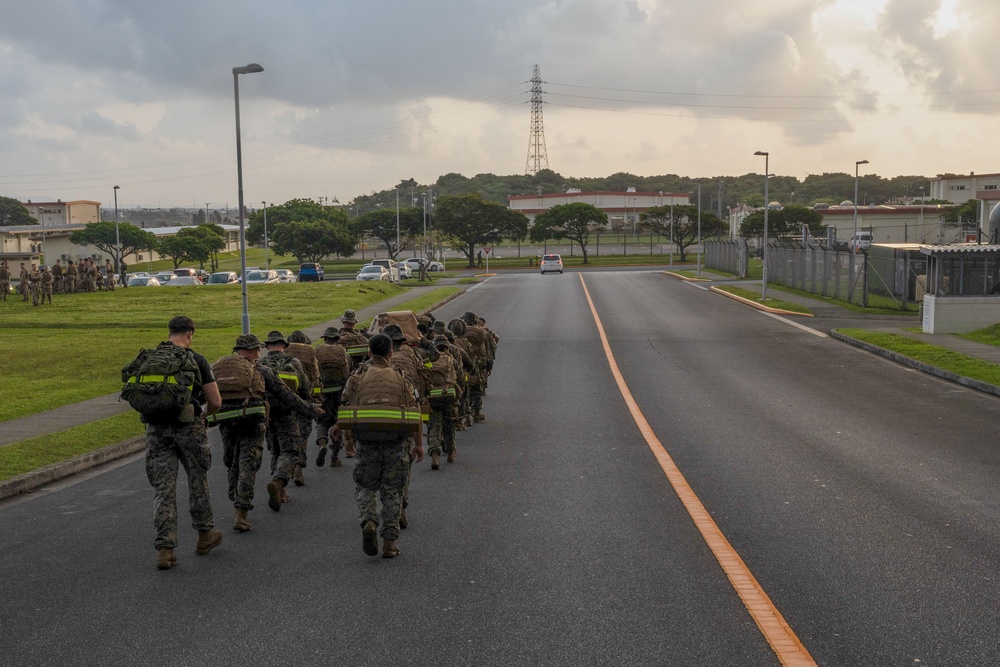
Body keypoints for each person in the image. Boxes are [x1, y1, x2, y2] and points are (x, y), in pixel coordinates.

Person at [132, 315, 223, 570]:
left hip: (156, 430)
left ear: (169, 332)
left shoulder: (151, 358)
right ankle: (205, 536)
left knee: (164, 490)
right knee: (197, 481)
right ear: (190, 333)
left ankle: (165, 549)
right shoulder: (197, 360)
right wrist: (204, 414)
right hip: (189, 429)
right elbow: (215, 402)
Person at [210, 334, 320, 532]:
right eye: (257, 350)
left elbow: (206, 394)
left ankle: (234, 495)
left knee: (231, 461)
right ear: (253, 351)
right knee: (248, 464)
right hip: (253, 420)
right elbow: (287, 395)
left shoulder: (219, 367)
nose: (259, 353)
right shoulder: (260, 369)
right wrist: (310, 409)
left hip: (227, 421)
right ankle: (241, 513)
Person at [342, 333, 423, 558]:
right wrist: (418, 444)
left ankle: (369, 521)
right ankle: (389, 543)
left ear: (369, 352)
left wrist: (348, 441)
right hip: (396, 443)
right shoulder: (401, 377)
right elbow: (415, 413)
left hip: (366, 442)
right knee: (393, 491)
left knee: (366, 487)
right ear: (390, 353)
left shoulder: (357, 377)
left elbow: (346, 408)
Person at [259, 330, 309, 511]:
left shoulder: (259, 364)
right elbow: (304, 387)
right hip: (287, 413)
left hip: (266, 413)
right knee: (290, 450)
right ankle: (279, 481)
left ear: (266, 347)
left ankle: (280, 491)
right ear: (284, 346)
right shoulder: (293, 362)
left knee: (275, 449)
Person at [285, 330, 320, 486]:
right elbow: (316, 376)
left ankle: (285, 470)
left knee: (287, 435)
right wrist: (315, 396)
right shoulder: (310, 351)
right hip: (305, 399)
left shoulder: (284, 351)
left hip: (285, 399)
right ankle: (299, 467)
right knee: (303, 435)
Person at [314, 326, 352, 468]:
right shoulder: (342, 352)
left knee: (322, 421)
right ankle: (334, 457)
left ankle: (322, 442)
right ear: (337, 339)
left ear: (324, 338)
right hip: (339, 392)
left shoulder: (317, 351)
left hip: (323, 392)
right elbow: (348, 373)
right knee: (338, 421)